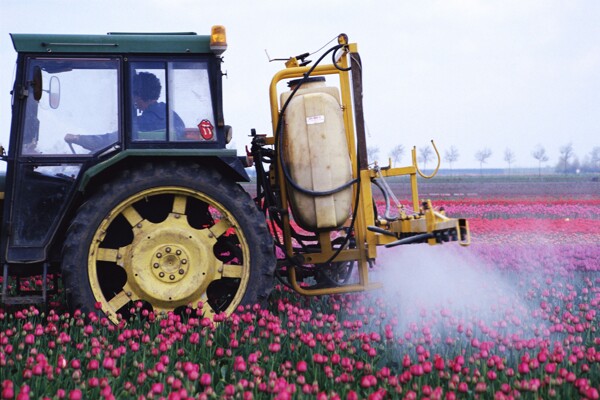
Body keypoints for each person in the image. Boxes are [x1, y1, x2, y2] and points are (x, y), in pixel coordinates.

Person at [65, 71, 185, 151]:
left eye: (132, 96)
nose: (133, 101)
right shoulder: (170, 115)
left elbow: (111, 141)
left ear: (138, 96)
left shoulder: (145, 122)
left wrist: (78, 138)